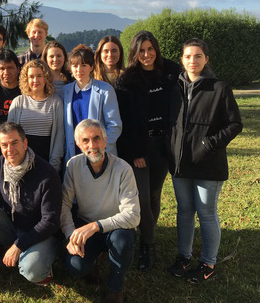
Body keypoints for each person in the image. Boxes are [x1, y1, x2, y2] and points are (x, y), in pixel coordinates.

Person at [166, 38, 242, 283]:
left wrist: (209, 144)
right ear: (182, 59)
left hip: (208, 164)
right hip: (180, 164)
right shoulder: (174, 87)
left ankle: (208, 263)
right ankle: (183, 257)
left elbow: (235, 124)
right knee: (184, 212)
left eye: (198, 56)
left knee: (206, 213)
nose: (192, 61)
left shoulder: (218, 88)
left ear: (206, 59)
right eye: (188, 56)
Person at [0, 122, 61, 285]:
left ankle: (42, 265)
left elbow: (50, 222)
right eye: (4, 145)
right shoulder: (1, 164)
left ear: (25, 143)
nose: (10, 149)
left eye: (14, 142)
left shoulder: (47, 173)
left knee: (32, 271)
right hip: (12, 226)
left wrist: (19, 245)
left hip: (41, 234)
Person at [115, 30, 180, 271]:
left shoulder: (171, 73)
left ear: (157, 49)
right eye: (141, 50)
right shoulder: (127, 80)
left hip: (162, 147)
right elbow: (124, 121)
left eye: (150, 49)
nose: (146, 54)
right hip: (138, 149)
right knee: (141, 198)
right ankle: (147, 245)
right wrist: (134, 153)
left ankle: (147, 241)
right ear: (134, 52)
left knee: (154, 195)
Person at [61, 119, 140, 303]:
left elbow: (133, 215)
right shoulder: (73, 166)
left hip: (115, 228)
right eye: (86, 140)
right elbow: (64, 205)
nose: (92, 145)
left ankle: (115, 289)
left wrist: (96, 226)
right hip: (85, 227)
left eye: (97, 139)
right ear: (79, 144)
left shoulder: (123, 169)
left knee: (123, 240)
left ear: (105, 141)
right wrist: (70, 236)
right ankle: (93, 262)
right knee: (75, 268)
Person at [63, 45, 121, 163]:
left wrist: (98, 148)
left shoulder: (105, 90)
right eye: (75, 66)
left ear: (92, 67)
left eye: (84, 65)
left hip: (100, 155)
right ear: (70, 68)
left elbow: (114, 125)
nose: (79, 70)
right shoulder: (65, 91)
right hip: (74, 155)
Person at [8, 59, 64, 172]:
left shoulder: (56, 102)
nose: (35, 80)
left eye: (39, 76)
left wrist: (54, 167)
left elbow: (59, 136)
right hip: (21, 163)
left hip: (47, 163)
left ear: (46, 77)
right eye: (31, 76)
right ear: (26, 79)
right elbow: (10, 136)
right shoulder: (18, 102)